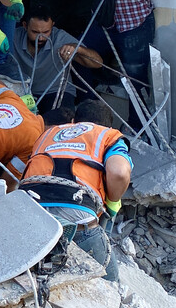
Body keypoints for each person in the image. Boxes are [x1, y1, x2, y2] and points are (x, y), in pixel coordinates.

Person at [57, 0, 159, 129]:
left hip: (135, 24)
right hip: (105, 23)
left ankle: (136, 129)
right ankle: (87, 116)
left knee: (135, 79)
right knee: (78, 55)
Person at [20, 100, 133, 281]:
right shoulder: (109, 136)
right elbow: (119, 172)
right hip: (76, 219)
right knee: (112, 286)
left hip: (27, 211)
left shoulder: (48, 133)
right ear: (108, 126)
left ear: (73, 121)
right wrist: (112, 200)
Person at [0, 5, 103, 115]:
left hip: (56, 92)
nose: (41, 38)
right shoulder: (14, 36)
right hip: (24, 92)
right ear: (24, 26)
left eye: (46, 32)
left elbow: (97, 63)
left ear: (52, 26)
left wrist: (78, 48)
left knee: (59, 124)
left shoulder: (60, 37)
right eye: (35, 32)